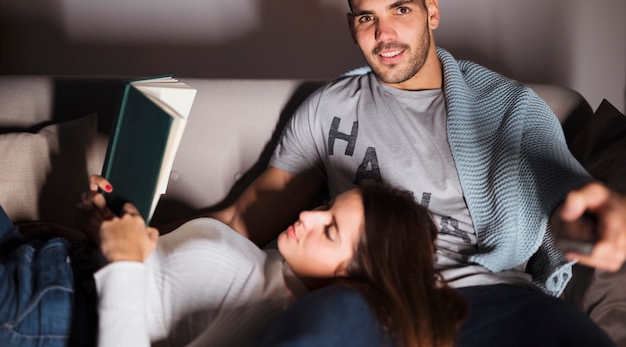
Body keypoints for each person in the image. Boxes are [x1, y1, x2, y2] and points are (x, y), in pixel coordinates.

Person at [205, 0, 626, 347]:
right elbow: (246, 216)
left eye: (400, 10)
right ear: (352, 27)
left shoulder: (509, 107)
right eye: (367, 17)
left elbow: (563, 209)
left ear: (431, 11)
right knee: (309, 336)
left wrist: (596, 227)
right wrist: (150, 234)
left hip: (489, 293)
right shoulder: (328, 109)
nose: (384, 35)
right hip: (369, 290)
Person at [0, 176, 465, 346]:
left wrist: (123, 262)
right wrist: (96, 240)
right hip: (52, 263)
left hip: (47, 309)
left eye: (329, 229)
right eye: (325, 208)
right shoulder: (278, 264)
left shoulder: (272, 310)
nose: (306, 215)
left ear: (354, 274)